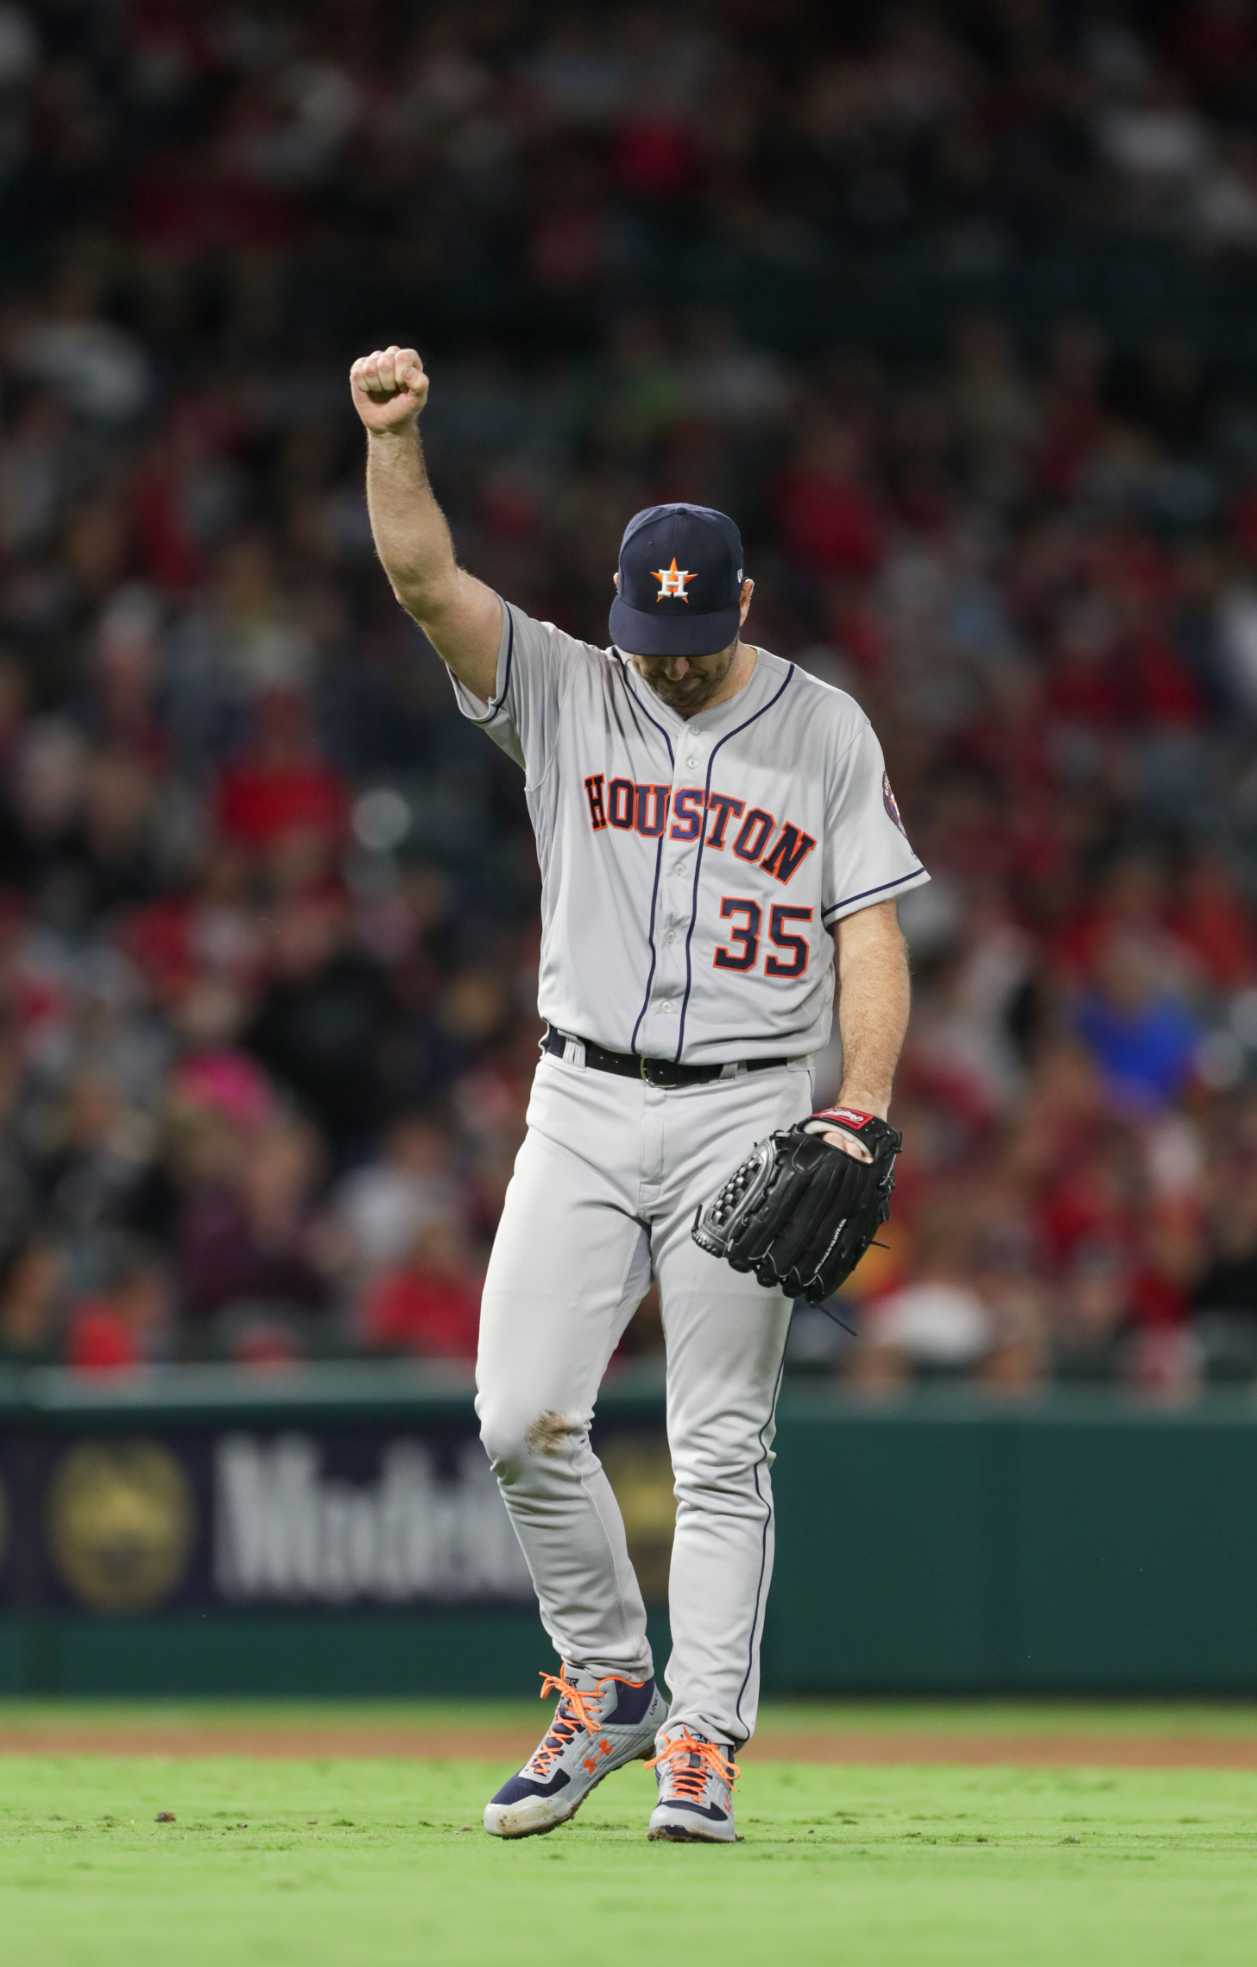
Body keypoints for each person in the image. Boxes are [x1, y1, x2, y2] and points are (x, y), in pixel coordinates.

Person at [351, 344, 928, 1843]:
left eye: (689, 630)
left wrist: (855, 1104)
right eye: (641, 630)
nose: (665, 656)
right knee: (517, 1414)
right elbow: (425, 583)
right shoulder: (564, 685)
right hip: (584, 1102)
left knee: (719, 1443)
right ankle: (607, 1683)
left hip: (750, 1108)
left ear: (740, 603)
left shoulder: (824, 729)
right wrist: (396, 441)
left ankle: (703, 1738)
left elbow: (868, 931)